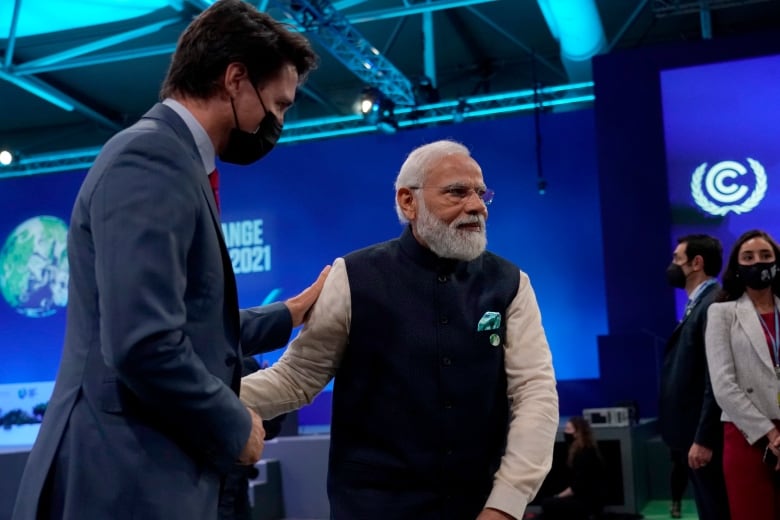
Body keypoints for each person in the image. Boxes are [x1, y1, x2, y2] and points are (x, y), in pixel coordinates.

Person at [11, 2, 324, 519]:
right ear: (235, 79)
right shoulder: (152, 158)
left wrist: (289, 313)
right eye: (280, 104)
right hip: (120, 480)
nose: (279, 121)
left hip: (141, 475)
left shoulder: (173, 159)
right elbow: (143, 342)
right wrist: (233, 422)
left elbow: (189, 327)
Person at [241, 139, 559, 520]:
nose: (476, 206)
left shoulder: (509, 283)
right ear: (408, 202)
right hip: (372, 507)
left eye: (481, 193)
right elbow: (297, 379)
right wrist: (209, 398)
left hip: (477, 506)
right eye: (457, 192)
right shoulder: (353, 276)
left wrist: (506, 503)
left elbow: (535, 393)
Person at [705, 229, 780, 520]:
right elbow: (724, 387)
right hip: (748, 435)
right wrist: (771, 433)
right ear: (737, 267)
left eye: (765, 256)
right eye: (748, 257)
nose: (757, 262)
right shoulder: (721, 314)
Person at [659, 234, 730, 519]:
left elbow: (716, 380)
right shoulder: (696, 305)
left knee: (717, 510)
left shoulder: (712, 304)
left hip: (705, 440)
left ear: (696, 263)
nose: (672, 265)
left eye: (677, 259)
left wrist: (703, 438)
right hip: (690, 435)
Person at [218, 357, 287, 520]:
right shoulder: (244, 365)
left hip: (232, 449)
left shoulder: (237, 364)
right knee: (229, 501)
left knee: (231, 500)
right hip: (234, 449)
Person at [540, 417, 607, 520]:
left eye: (568, 429)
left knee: (548, 504)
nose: (565, 432)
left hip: (589, 501)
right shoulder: (580, 450)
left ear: (577, 433)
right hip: (585, 497)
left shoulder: (585, 453)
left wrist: (558, 497)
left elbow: (577, 486)